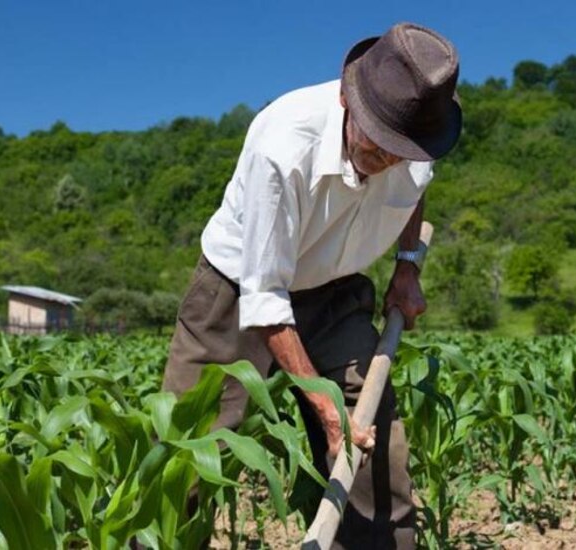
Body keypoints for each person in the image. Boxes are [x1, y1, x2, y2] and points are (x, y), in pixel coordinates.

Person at [161, 22, 461, 548]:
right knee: (190, 454)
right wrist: (323, 407)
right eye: (378, 144)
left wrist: (407, 265)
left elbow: (415, 192)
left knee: (371, 442)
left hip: (336, 289)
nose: (389, 159)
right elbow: (266, 299)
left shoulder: (418, 134)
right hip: (238, 292)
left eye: (401, 151)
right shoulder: (282, 145)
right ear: (347, 99)